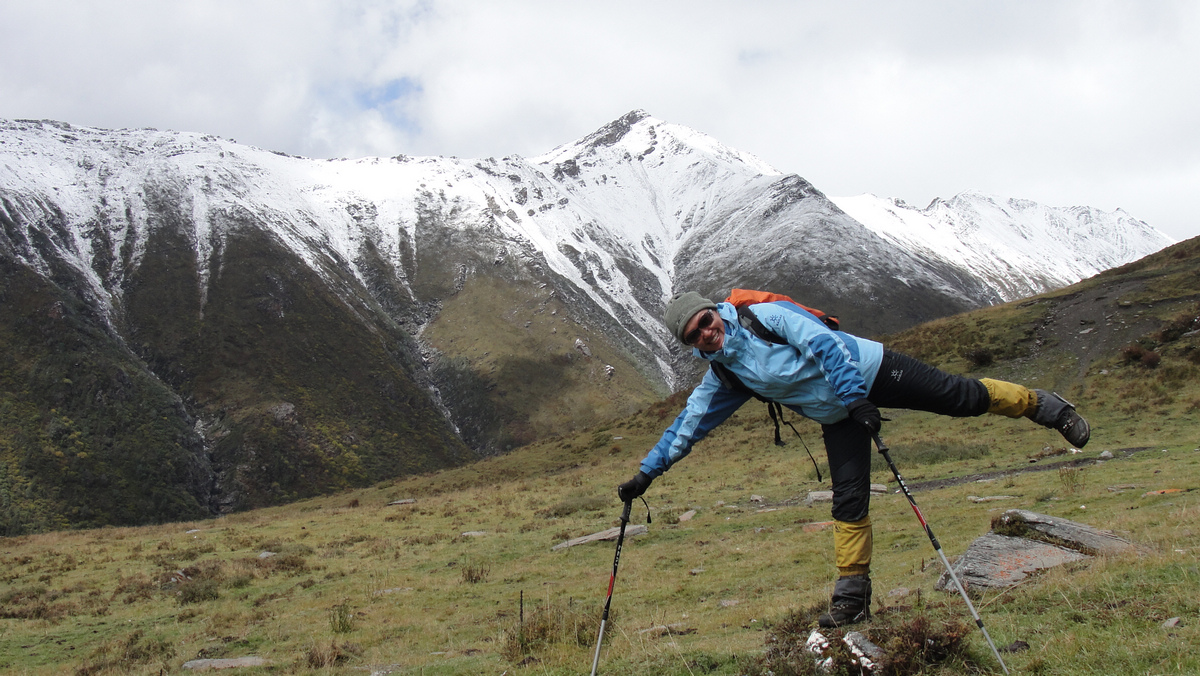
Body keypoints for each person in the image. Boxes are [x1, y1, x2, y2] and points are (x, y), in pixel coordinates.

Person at [616, 291, 1089, 628]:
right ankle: (853, 597)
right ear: (692, 345)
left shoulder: (765, 316)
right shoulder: (723, 376)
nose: (705, 333)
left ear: (713, 311)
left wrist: (857, 397)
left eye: (704, 321)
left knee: (958, 396)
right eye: (694, 335)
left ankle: (1042, 406)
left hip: (870, 371)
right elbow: (688, 425)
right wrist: (645, 474)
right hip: (838, 413)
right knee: (847, 500)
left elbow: (826, 344)